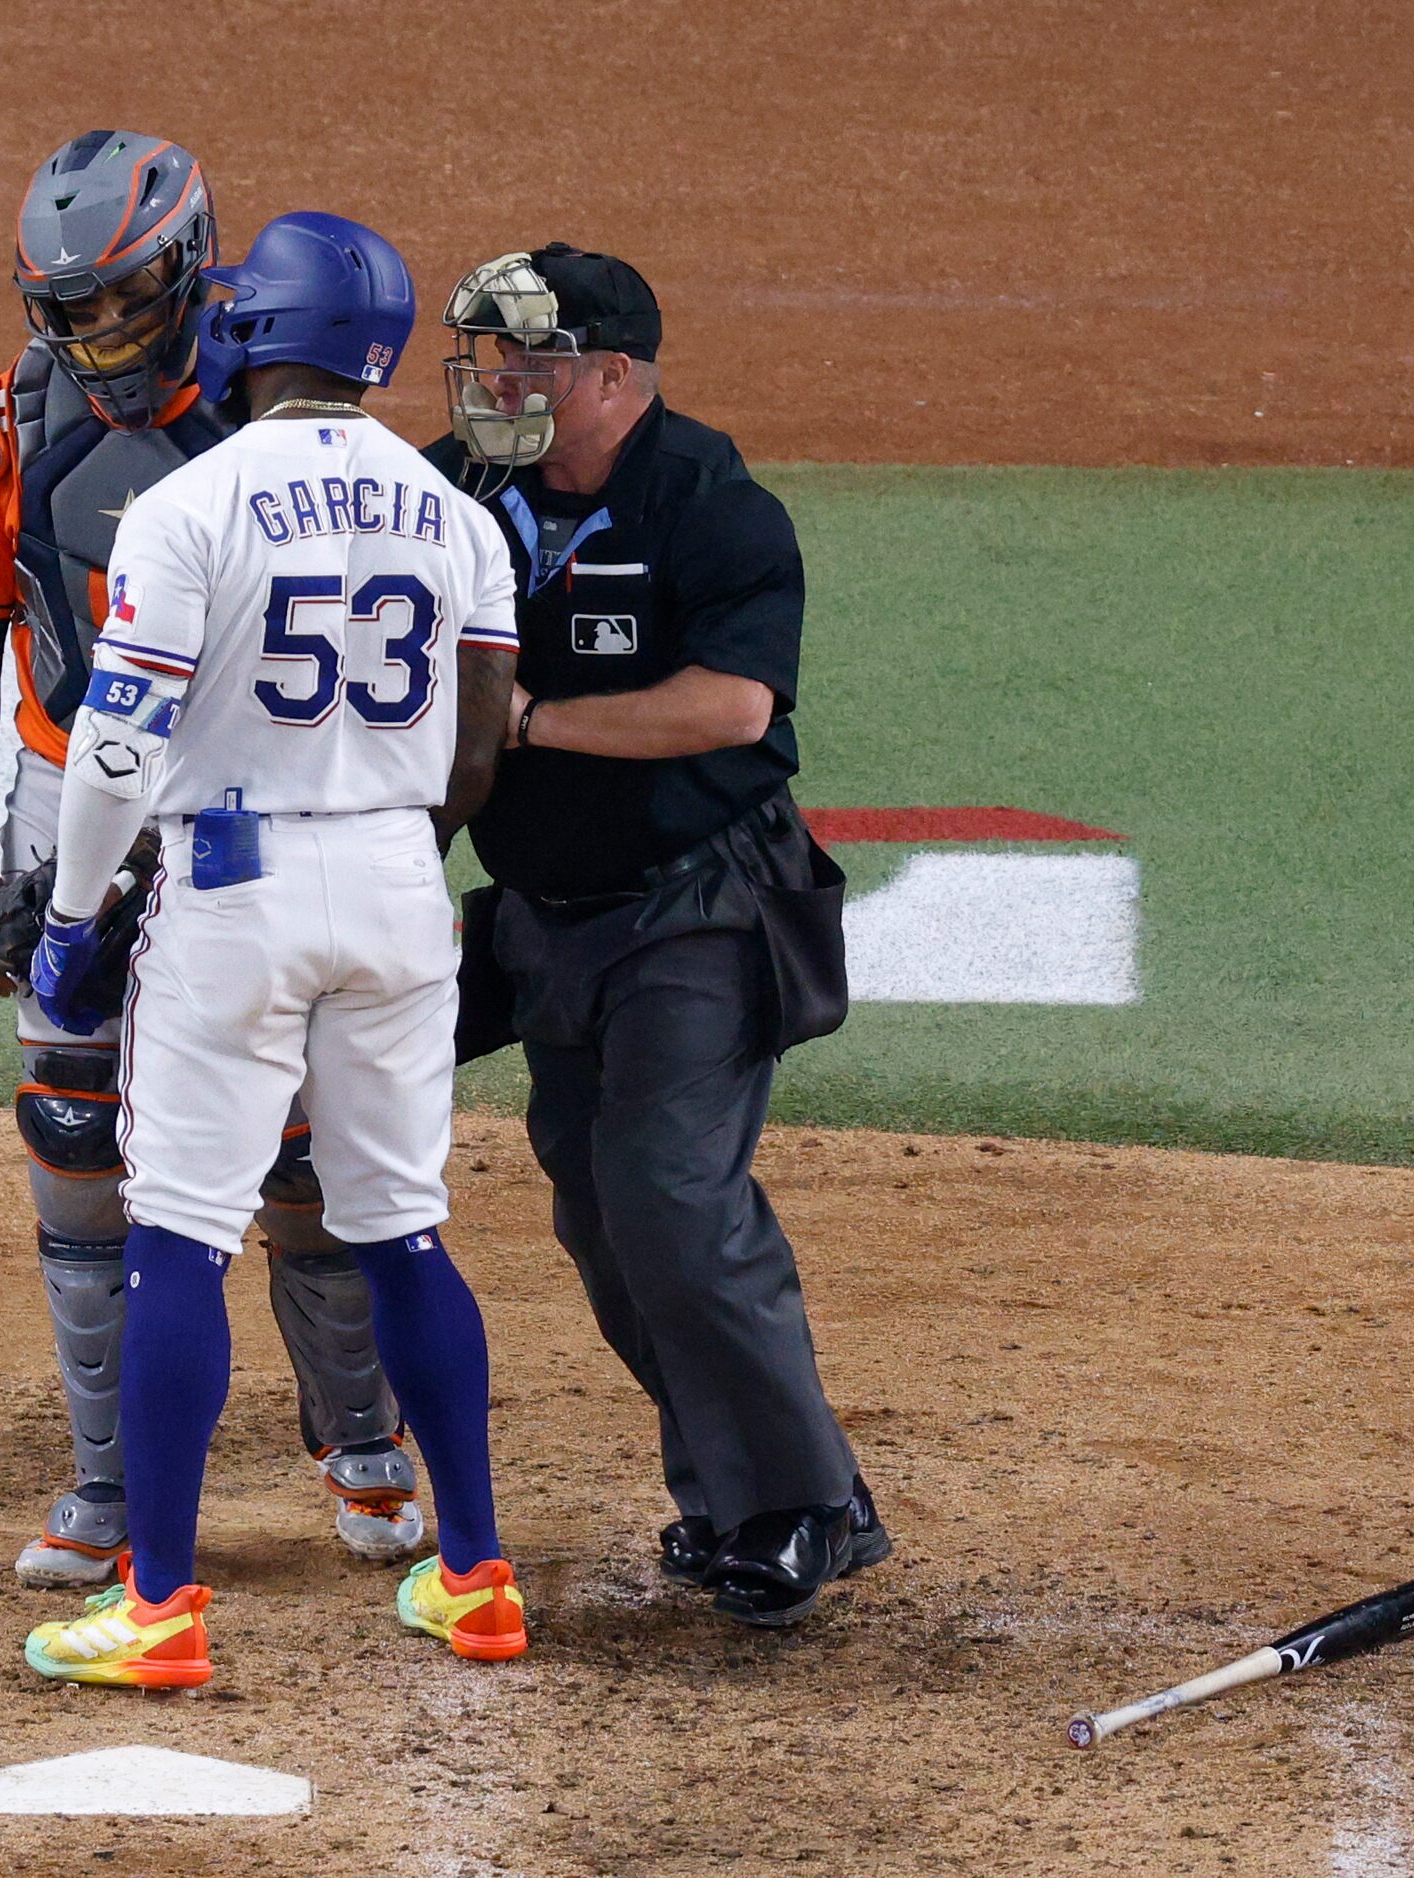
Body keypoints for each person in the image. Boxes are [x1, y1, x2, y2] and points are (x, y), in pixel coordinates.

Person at [0, 131, 427, 1591]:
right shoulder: (12, 419)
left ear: (195, 269)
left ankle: (362, 1437)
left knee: (299, 1152)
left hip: (251, 822)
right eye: (67, 310)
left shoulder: (281, 412)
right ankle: (105, 1480)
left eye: (124, 302)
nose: (95, 339)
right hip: (67, 802)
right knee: (75, 1145)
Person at [18, 211, 526, 1688]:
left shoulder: (193, 506)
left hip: (231, 885)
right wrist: (376, 849)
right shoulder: (460, 515)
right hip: (395, 884)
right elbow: (479, 749)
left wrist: (67, 925)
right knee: (401, 1224)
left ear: (249, 334)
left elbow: (114, 751)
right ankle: (476, 1574)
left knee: (178, 1229)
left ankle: (161, 1605)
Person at [431, 245, 890, 1628]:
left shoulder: (706, 498)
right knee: (597, 1206)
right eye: (487, 355)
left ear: (615, 377)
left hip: (699, 900)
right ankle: (743, 1497)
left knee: (665, 1194)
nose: (496, 382)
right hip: (549, 917)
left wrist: (527, 724)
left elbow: (734, 705)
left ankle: (798, 1509)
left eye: (529, 360)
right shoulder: (459, 487)